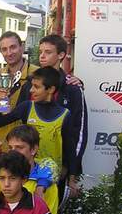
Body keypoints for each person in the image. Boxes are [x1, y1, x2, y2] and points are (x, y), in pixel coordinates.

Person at [20, 34, 88, 191]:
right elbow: (20, 125)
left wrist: (70, 169)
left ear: (61, 55)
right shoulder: (29, 85)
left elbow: (79, 132)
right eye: (41, 52)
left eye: (48, 52)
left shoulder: (72, 88)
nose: (42, 56)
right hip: (28, 165)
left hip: (60, 168)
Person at [0, 67, 73, 181]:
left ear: (51, 89)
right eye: (31, 86)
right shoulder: (27, 107)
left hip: (52, 177)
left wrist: (70, 176)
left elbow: (69, 148)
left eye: (36, 87)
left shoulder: (64, 114)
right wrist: (2, 100)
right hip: (26, 174)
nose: (31, 90)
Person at [6, 125, 60, 214]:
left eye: (19, 147)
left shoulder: (48, 185)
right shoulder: (1, 177)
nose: (13, 152)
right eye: (10, 147)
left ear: (33, 150)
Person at [0, 31, 39, 110]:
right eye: (4, 49)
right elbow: (1, 109)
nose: (9, 53)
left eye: (13, 47)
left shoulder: (37, 73)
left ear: (22, 47)